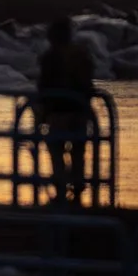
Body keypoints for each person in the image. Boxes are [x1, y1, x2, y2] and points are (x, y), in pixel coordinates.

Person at [35, 16, 99, 204]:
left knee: (56, 150)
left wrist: (41, 113)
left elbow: (43, 87)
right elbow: (89, 83)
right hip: (79, 112)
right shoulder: (81, 54)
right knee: (78, 152)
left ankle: (62, 190)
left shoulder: (50, 57)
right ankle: (77, 191)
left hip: (58, 113)